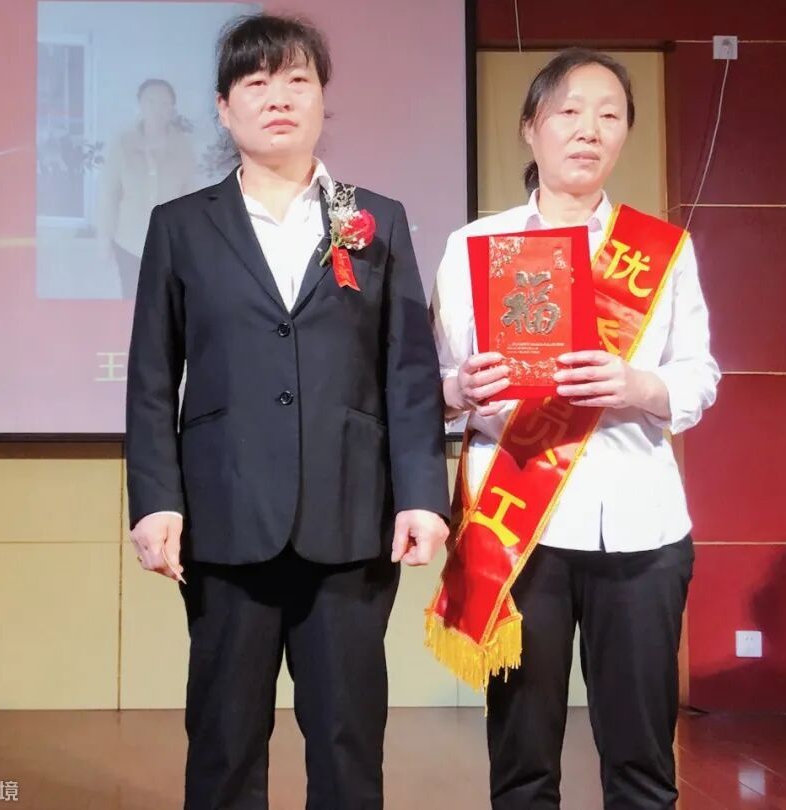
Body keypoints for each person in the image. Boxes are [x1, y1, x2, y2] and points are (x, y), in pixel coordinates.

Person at [124, 14, 450, 810]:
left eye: (297, 79)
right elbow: (152, 376)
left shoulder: (375, 219)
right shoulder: (181, 226)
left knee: (347, 742)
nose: (279, 98)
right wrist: (156, 500)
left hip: (350, 517)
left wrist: (422, 495)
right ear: (224, 107)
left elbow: (408, 371)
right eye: (256, 82)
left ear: (322, 99)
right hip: (225, 518)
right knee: (224, 740)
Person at [428, 49, 720, 810]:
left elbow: (699, 374)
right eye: (569, 111)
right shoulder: (473, 247)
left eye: (609, 115)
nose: (589, 129)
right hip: (519, 528)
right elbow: (434, 381)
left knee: (643, 759)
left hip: (641, 527)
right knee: (523, 761)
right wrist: (459, 389)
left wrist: (638, 385)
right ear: (531, 127)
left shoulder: (661, 250)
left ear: (623, 135)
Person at [97, 78, 198, 298]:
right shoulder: (123, 143)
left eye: (164, 103)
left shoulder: (183, 146)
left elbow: (190, 197)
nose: (157, 109)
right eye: (150, 102)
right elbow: (109, 196)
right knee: (132, 302)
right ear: (140, 105)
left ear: (172, 109)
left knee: (165, 303)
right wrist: (104, 240)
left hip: (170, 245)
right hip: (129, 241)